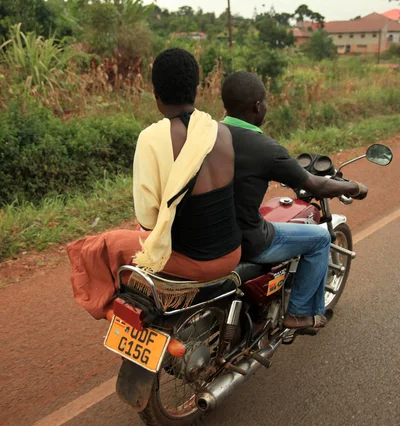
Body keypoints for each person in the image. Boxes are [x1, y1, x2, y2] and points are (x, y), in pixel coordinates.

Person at [68, 49, 241, 319]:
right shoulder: (220, 131)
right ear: (196, 89)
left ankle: (111, 311)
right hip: (231, 254)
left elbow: (147, 218)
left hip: (195, 263)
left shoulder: (151, 138)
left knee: (100, 246)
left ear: (155, 94)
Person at [221, 71, 368, 329]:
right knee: (320, 238)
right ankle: (299, 313)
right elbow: (316, 184)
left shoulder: (208, 133)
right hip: (247, 240)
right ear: (257, 106)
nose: (266, 106)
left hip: (211, 233)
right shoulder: (266, 149)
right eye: (265, 101)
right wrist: (355, 187)